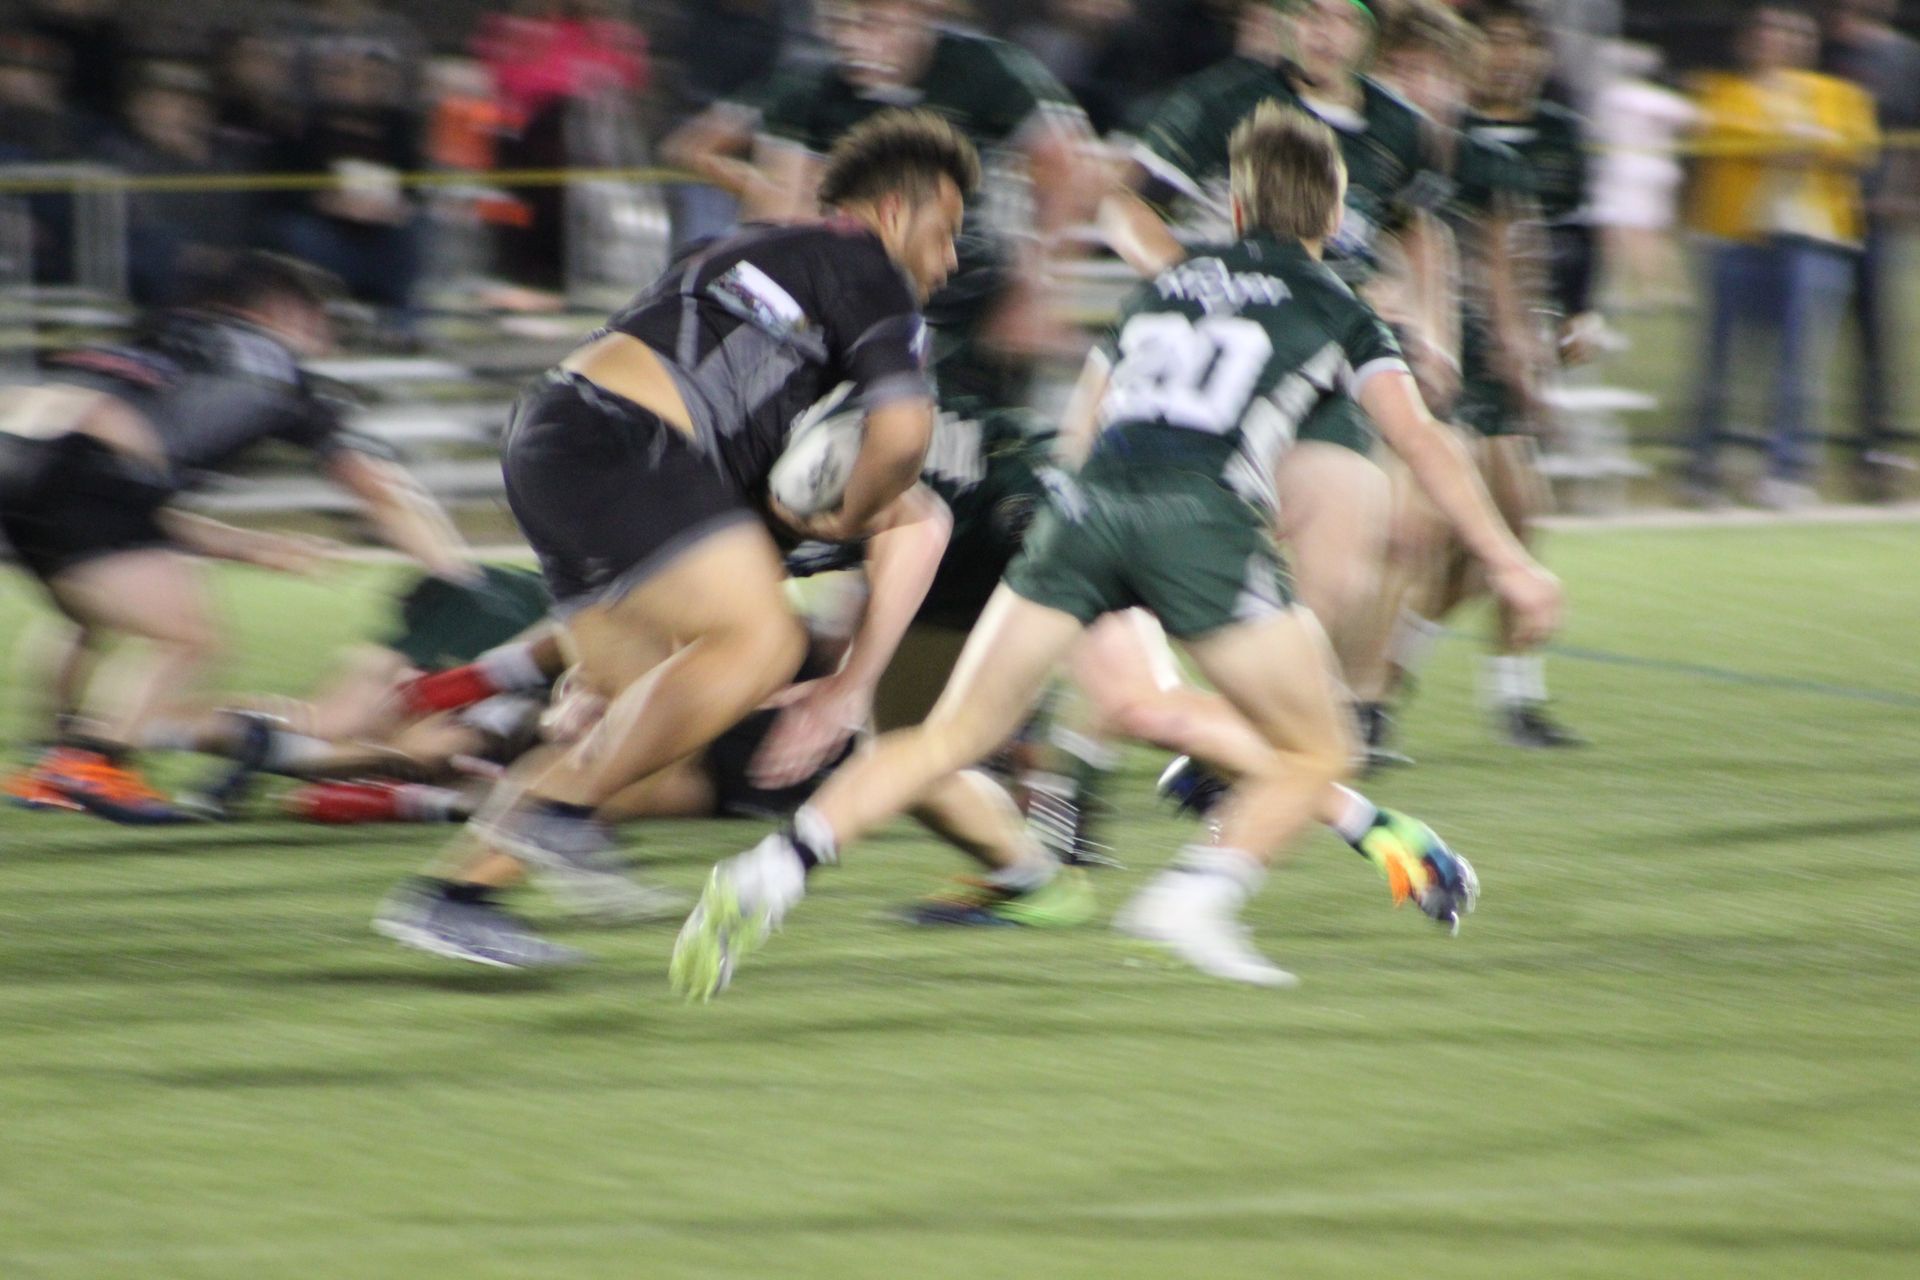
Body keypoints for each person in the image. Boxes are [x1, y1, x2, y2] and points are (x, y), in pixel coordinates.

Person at [673, 103, 1564, 998]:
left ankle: (773, 871)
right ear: (1335, 218)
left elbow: (1081, 429)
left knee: (949, 737)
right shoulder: (1338, 304)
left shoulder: (1161, 288)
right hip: (1195, 514)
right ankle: (1196, 897)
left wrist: (1100, 545)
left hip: (1080, 509)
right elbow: (1422, 441)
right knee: (1320, 745)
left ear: (1237, 210)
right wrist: (1510, 563)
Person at [437, 110, 975, 921]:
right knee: (764, 643)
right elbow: (904, 437)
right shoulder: (865, 265)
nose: (952, 258)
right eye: (948, 231)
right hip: (628, 439)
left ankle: (456, 898)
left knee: (640, 737)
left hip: (555, 436)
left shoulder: (744, 251)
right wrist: (851, 517)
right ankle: (554, 817)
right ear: (899, 210)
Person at [1098, 0, 1457, 756]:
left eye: (1342, 18)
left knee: (1347, 561)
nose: (1325, 32)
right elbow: (1122, 204)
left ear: (1367, 32)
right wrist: (1196, 284)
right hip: (1231, 367)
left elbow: (1418, 232)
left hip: (1327, 360)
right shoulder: (1223, 100)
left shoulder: (1398, 127)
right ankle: (1103, 734)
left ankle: (1272, 727)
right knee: (1167, 545)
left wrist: (1431, 330)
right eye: (1310, 14)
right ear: (1287, 22)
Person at [0, 252, 474, 821]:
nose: (323, 339)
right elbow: (376, 486)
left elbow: (135, 514)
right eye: (320, 321)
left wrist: (247, 546)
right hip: (89, 470)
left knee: (89, 616)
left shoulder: (155, 338)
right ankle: (90, 762)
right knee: (187, 639)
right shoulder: (272, 368)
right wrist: (456, 575)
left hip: (22, 462)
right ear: (284, 310)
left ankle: (52, 760)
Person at [1366, 0, 1585, 748]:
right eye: (1403, 68)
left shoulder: (1481, 160)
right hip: (1400, 358)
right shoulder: (1366, 150)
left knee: (1510, 523)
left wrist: (1527, 355)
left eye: (1433, 71)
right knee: (1425, 533)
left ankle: (1495, 694)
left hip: (1475, 361)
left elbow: (1505, 265)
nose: (1420, 84)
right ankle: (1369, 694)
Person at [1683, 2, 1879, 510]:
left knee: (1800, 362)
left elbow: (1858, 147)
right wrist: (1792, 141)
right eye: (1771, 32)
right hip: (1740, 238)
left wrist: (1803, 144)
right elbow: (1718, 134)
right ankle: (1705, 468)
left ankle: (1787, 470)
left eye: (1794, 34)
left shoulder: (1837, 94)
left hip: (1815, 241)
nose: (1782, 42)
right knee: (1721, 359)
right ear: (1748, 41)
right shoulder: (1723, 90)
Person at [1821, 0, 1920, 500]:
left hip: (1873, 216)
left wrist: (1900, 194)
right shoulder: (1824, 52)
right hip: (1820, 211)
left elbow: (1908, 135)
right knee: (1810, 333)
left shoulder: (1902, 59)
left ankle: (1875, 453)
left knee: (1874, 339)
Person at [1588, 41, 1696, 311]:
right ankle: (1663, 288)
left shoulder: (1611, 95)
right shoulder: (1663, 98)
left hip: (1622, 170)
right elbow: (1695, 120)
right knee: (1653, 231)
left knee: (1619, 230)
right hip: (1660, 170)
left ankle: (1625, 287)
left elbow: (1595, 129)